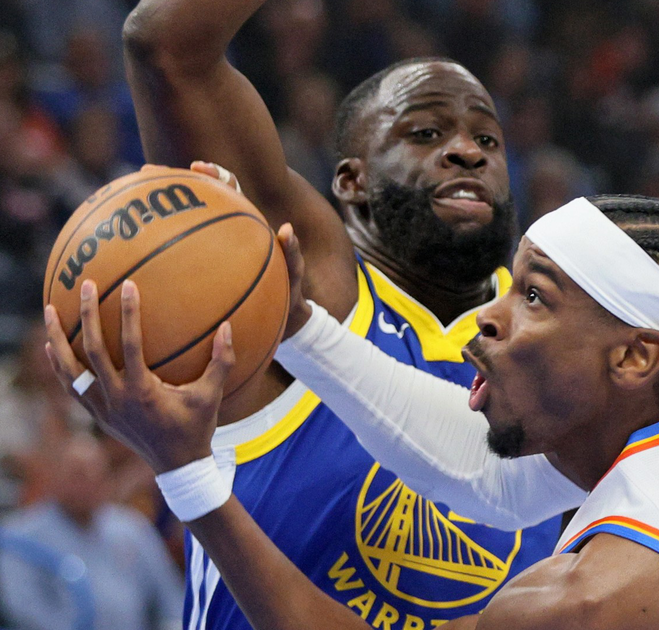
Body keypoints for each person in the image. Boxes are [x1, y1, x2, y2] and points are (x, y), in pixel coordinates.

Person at [45, 194, 659, 628]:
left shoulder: (604, 596)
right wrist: (294, 324)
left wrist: (188, 473)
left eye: (536, 298)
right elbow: (487, 476)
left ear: (635, 357)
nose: (488, 317)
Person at [110, 0, 568, 626]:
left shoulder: (559, 334)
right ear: (352, 182)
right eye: (426, 134)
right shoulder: (290, 282)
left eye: (488, 139)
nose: (468, 150)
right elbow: (165, 45)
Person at [0, 435, 183, 630]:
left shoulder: (132, 528)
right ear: (54, 476)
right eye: (79, 475)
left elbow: (171, 599)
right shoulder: (21, 535)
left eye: (97, 474)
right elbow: (23, 610)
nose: (88, 484)